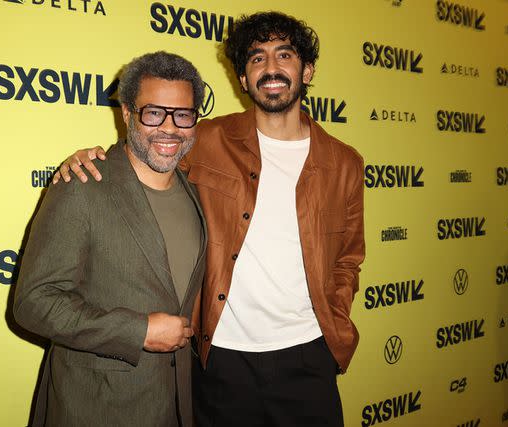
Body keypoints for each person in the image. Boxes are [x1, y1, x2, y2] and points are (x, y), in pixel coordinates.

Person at [55, 11, 364, 427]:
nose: (270, 68)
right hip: (220, 360)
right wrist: (94, 158)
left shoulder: (344, 162)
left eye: (284, 55)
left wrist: (334, 320)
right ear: (242, 79)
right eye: (256, 58)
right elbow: (148, 151)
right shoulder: (207, 138)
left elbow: (348, 256)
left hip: (309, 355)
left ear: (307, 70)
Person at [13, 51, 207, 427]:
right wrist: (138, 331)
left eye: (182, 115)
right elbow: (34, 302)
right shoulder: (82, 185)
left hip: (177, 404)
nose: (169, 128)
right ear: (127, 113)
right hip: (97, 407)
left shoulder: (195, 190)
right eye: (153, 113)